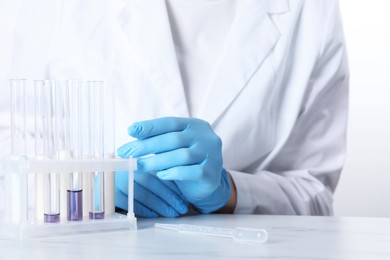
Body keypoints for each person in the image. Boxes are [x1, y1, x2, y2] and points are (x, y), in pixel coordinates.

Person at [0, 0, 348, 217]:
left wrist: (231, 193)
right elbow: (7, 166)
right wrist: (87, 186)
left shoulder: (310, 8)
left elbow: (315, 195)